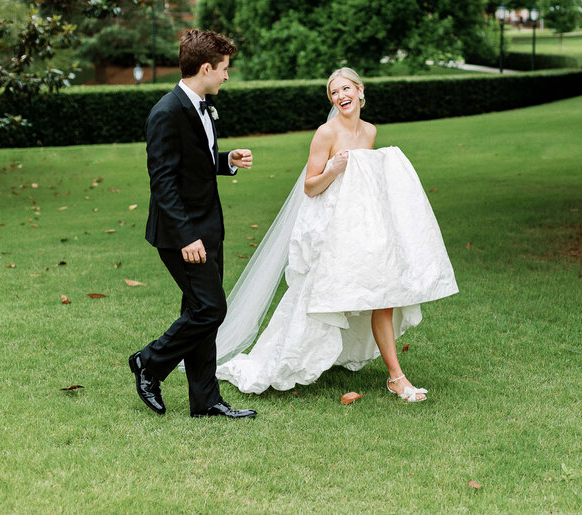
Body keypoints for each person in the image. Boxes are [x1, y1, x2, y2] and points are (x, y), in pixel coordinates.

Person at [214, 67, 458, 402]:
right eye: (333, 93)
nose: (340, 96)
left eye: (345, 89)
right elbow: (310, 187)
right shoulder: (326, 134)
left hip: (363, 226)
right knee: (316, 298)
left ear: (360, 91)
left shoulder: (370, 131)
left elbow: (366, 182)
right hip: (330, 230)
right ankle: (287, 360)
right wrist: (333, 168)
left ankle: (396, 377)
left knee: (381, 294)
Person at [128, 29, 257, 419]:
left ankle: (206, 401)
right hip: (182, 234)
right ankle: (149, 362)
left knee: (201, 309)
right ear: (206, 68)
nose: (227, 76)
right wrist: (187, 237)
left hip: (208, 228)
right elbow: (163, 183)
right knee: (211, 309)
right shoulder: (166, 112)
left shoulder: (201, 105)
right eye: (224, 69)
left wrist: (227, 160)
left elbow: (196, 165)